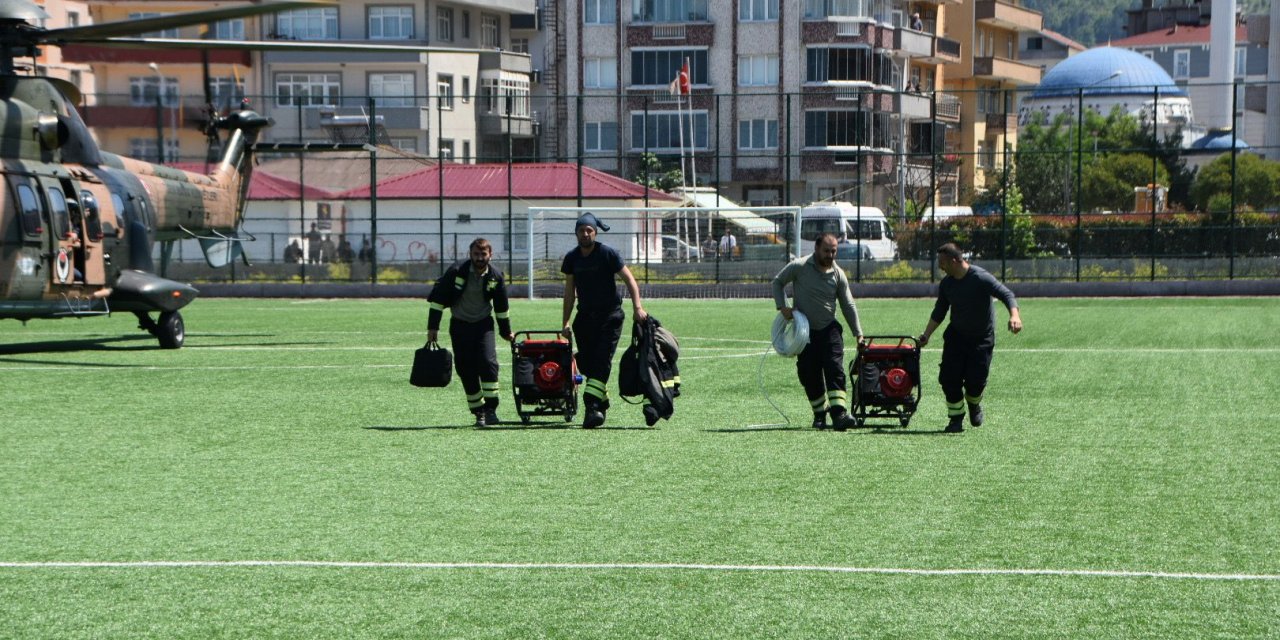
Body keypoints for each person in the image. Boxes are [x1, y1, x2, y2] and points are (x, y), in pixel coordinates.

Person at [917, 243, 1023, 433]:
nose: (940, 267)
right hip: (956, 337)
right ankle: (955, 420)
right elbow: (940, 311)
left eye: (942, 263)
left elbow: (1006, 294)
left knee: (975, 382)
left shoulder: (980, 277)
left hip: (981, 339)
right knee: (949, 378)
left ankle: (974, 404)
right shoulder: (947, 284)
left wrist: (1014, 316)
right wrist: (926, 335)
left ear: (955, 261)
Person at [561, 212, 648, 428]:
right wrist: (566, 322)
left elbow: (629, 279)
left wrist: (638, 307)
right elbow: (569, 293)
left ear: (595, 232)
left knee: (601, 361)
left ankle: (592, 407)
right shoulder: (572, 258)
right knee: (587, 363)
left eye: (589, 230)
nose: (586, 234)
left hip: (610, 317)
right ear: (576, 233)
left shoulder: (607, 254)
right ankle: (603, 398)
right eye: (582, 230)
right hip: (585, 319)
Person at [772, 233, 864, 431]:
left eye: (834, 251)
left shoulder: (838, 273)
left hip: (829, 330)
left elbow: (848, 304)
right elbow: (777, 282)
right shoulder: (800, 266)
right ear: (816, 248)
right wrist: (783, 307)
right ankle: (819, 414)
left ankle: (839, 414)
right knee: (808, 374)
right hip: (804, 334)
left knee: (835, 369)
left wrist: (858, 333)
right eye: (826, 251)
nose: (830, 255)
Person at [428, 237, 514, 427]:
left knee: (488, 363)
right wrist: (432, 328)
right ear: (470, 255)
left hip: (484, 326)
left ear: (490, 255)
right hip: (459, 326)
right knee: (465, 369)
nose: (480, 258)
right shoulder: (456, 272)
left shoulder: (496, 277)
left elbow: (501, 308)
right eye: (476, 254)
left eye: (483, 254)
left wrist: (505, 332)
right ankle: (479, 412)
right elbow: (438, 300)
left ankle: (491, 409)